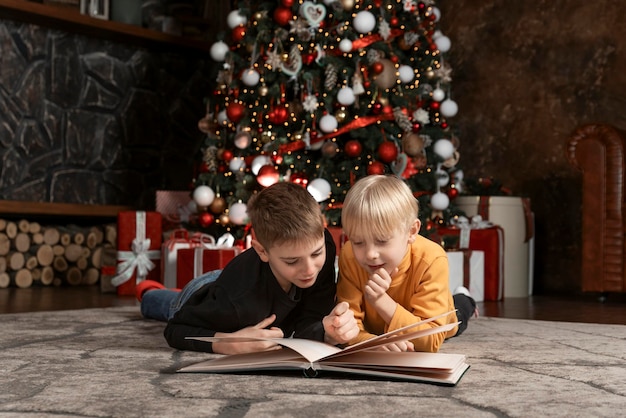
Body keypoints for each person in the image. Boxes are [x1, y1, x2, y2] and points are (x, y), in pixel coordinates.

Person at [137, 182, 358, 354]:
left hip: (238, 281)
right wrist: (229, 343)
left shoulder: (322, 243)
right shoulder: (237, 299)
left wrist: (326, 332)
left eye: (316, 254)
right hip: (208, 290)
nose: (310, 269)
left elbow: (312, 314)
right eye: (292, 261)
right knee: (172, 307)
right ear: (262, 251)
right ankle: (148, 291)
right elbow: (175, 329)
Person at [336, 174, 477, 353]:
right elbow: (348, 329)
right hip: (386, 328)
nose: (370, 254)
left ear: (411, 231)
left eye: (381, 241)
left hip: (445, 316)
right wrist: (373, 343)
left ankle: (465, 298)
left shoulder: (432, 259)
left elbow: (431, 341)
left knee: (459, 313)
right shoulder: (349, 255)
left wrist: (381, 301)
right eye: (358, 242)